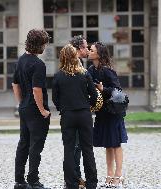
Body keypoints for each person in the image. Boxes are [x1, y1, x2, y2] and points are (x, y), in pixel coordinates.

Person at [52, 44, 99, 189]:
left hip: (68, 115)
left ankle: (71, 183)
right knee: (87, 149)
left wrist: (63, 108)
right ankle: (91, 183)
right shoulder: (85, 73)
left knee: (69, 149)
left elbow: (55, 98)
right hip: (84, 114)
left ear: (62, 58)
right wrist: (88, 106)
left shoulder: (59, 75)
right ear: (75, 56)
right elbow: (94, 94)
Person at [12, 29, 51, 189]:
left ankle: (19, 181)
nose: (45, 47)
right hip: (36, 111)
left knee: (23, 143)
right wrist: (42, 110)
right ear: (39, 45)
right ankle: (33, 180)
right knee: (36, 146)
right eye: (44, 44)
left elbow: (15, 84)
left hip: (24, 107)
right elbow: (37, 89)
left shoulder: (21, 60)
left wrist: (22, 102)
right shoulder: (38, 64)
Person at [88, 42, 128, 188]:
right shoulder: (91, 69)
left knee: (116, 143)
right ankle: (109, 174)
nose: (89, 51)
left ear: (99, 53)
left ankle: (119, 175)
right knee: (107, 145)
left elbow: (117, 90)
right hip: (102, 112)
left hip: (112, 112)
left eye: (91, 50)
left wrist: (103, 88)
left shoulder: (107, 70)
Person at [69, 35, 89, 188]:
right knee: (75, 148)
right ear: (78, 49)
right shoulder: (74, 65)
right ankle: (75, 179)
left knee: (76, 148)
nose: (87, 50)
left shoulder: (75, 63)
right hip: (76, 112)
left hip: (70, 112)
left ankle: (75, 178)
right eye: (85, 47)